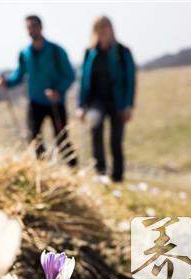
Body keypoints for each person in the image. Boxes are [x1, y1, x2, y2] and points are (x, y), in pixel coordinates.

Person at [0, 15, 77, 166]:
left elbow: (69, 75)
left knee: (62, 138)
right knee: (34, 138)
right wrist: (6, 83)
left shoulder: (56, 51)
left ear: (41, 27)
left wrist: (58, 91)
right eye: (29, 27)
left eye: (34, 26)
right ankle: (42, 170)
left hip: (56, 102)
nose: (31, 30)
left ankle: (73, 169)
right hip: (35, 103)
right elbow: (19, 75)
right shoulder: (25, 53)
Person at [77, 16, 136, 182]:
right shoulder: (90, 52)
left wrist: (128, 105)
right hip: (96, 101)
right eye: (99, 28)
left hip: (118, 101)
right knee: (96, 133)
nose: (103, 32)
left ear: (111, 29)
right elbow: (83, 80)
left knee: (115, 140)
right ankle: (100, 172)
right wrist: (81, 106)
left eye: (105, 28)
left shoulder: (122, 52)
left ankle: (117, 176)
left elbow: (130, 80)